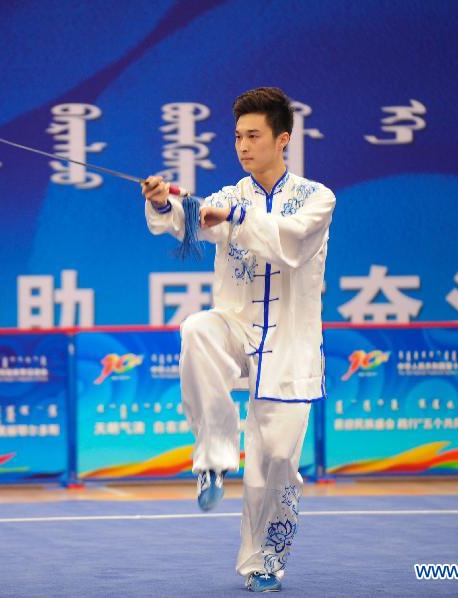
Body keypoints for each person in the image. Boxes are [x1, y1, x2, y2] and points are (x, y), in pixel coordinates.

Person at [141, 87, 335, 592]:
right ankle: (212, 461)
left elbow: (290, 241)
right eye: (237, 137)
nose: (243, 146)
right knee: (196, 329)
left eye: (253, 136)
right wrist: (167, 203)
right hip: (237, 328)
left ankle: (264, 560)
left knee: (274, 463)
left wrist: (232, 219)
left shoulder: (316, 199)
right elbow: (193, 218)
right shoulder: (230, 196)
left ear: (282, 139)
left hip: (290, 348)